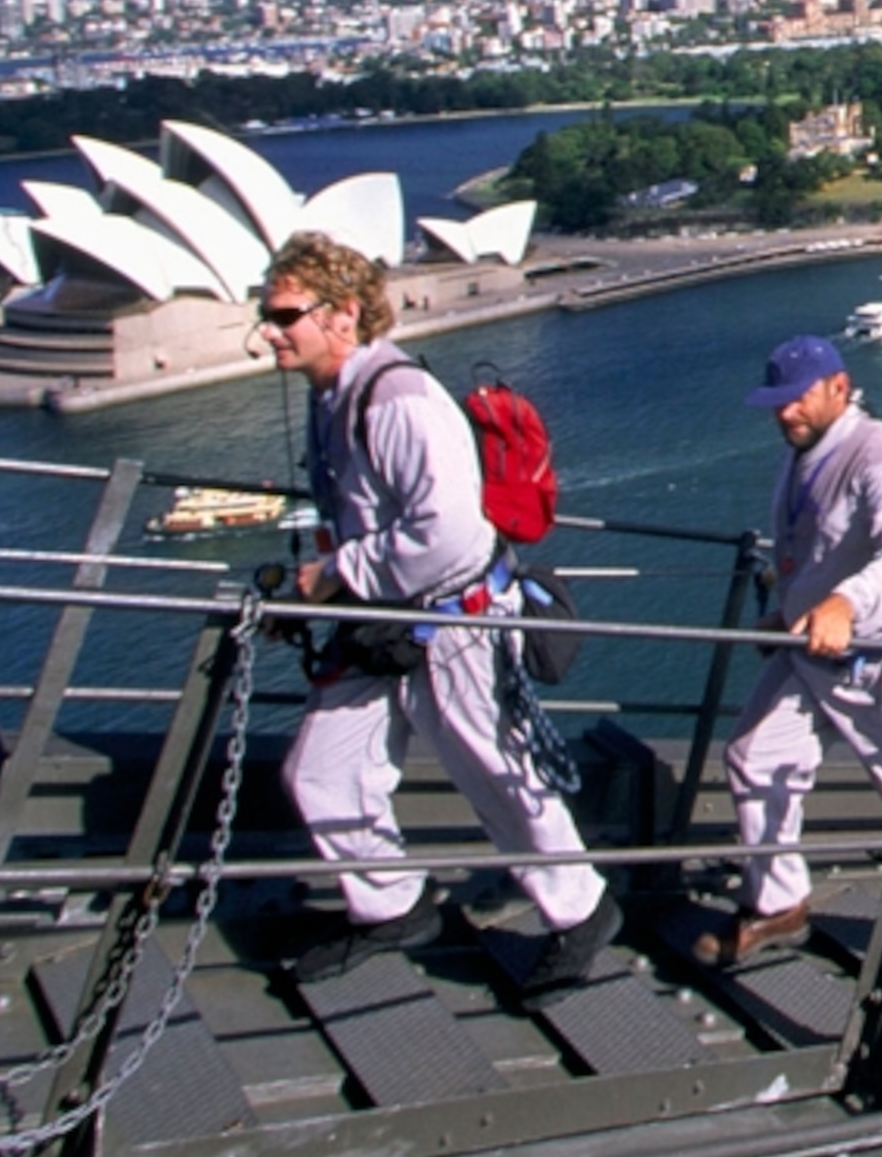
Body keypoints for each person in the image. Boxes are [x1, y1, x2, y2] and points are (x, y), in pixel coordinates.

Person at [264, 231, 618, 990]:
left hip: (453, 619)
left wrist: (338, 573)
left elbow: (451, 534)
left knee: (495, 771)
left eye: (284, 314)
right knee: (321, 772)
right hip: (383, 620)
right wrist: (327, 588)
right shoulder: (333, 398)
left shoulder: (397, 400)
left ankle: (581, 911)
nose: (268, 331)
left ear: (342, 313)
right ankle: (390, 903)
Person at [694, 335, 882, 980]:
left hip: (881, 660)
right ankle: (779, 903)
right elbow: (815, 547)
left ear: (840, 387)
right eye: (777, 403)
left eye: (798, 399)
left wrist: (846, 605)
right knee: (754, 755)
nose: (785, 413)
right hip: (813, 649)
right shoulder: (804, 450)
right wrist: (793, 609)